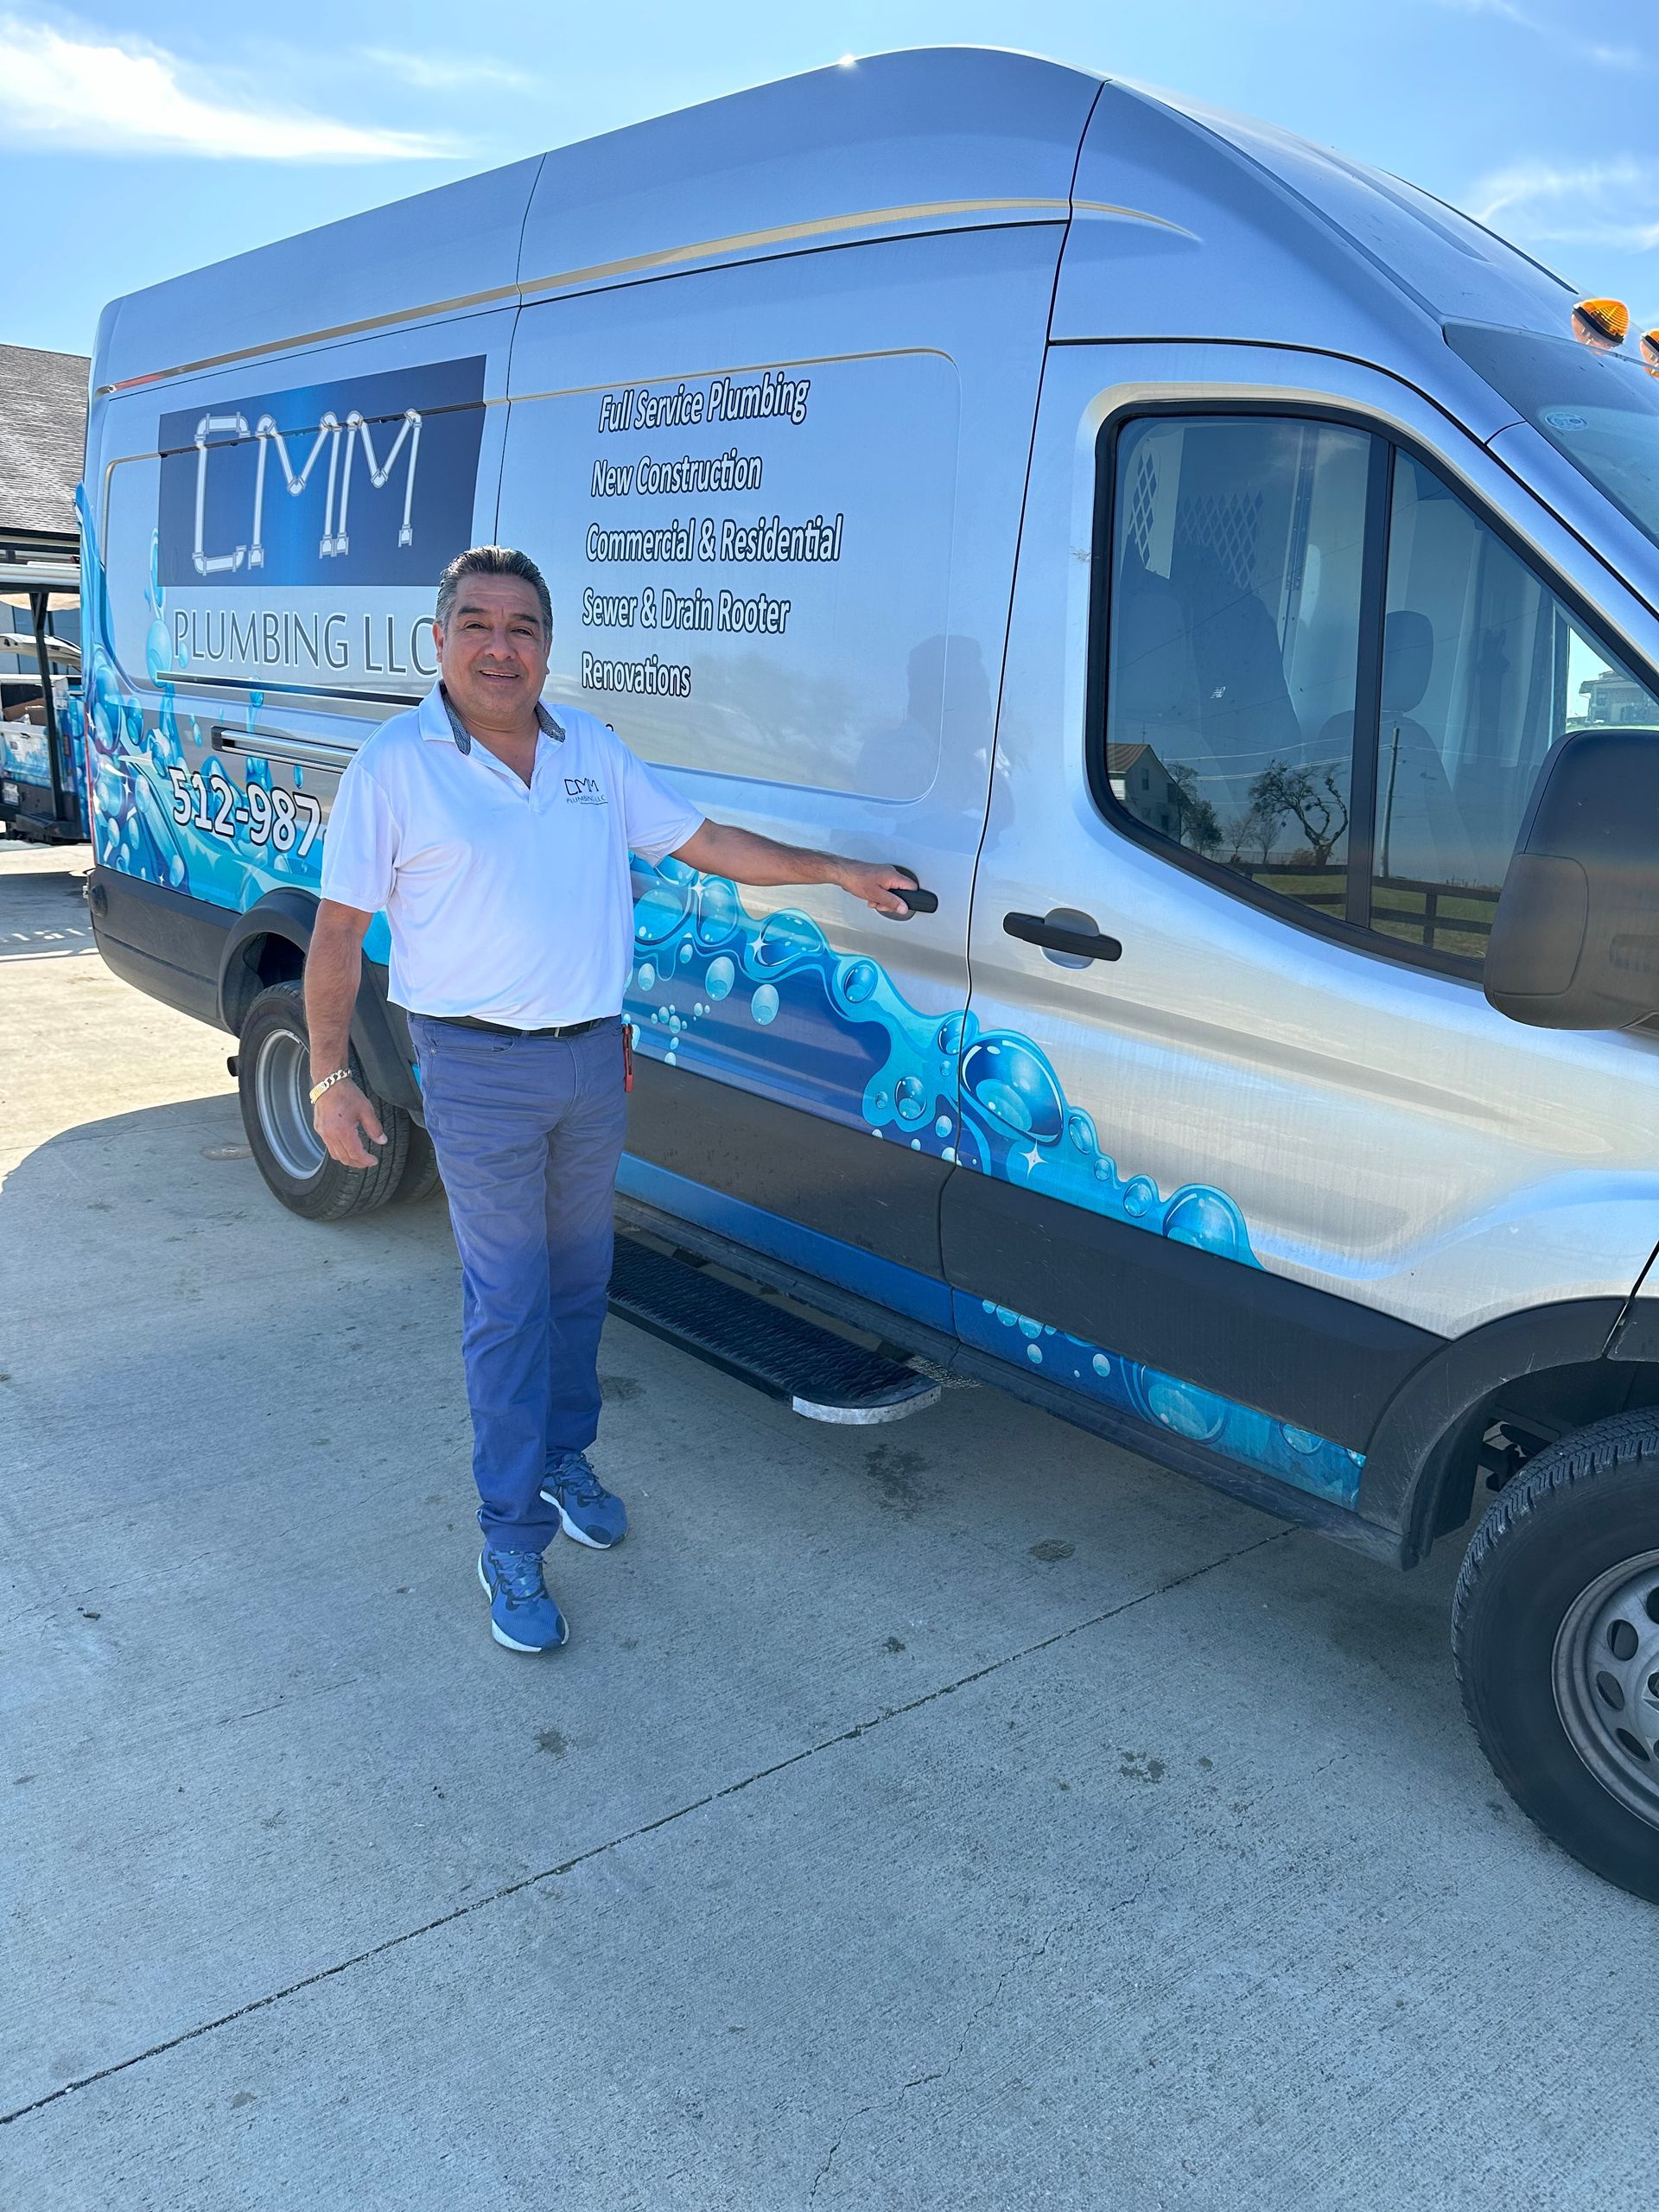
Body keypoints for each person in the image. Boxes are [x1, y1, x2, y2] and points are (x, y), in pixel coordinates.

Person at [306, 545, 915, 1652]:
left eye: (524, 626)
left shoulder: (590, 749)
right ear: (437, 640)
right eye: (479, 623)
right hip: (478, 1070)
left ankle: (565, 1455)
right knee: (508, 1301)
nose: (502, 645)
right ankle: (508, 1533)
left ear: (548, 644)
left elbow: (708, 841)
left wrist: (839, 872)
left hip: (592, 1061)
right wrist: (329, 1073)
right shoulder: (394, 767)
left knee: (582, 1281)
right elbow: (339, 934)